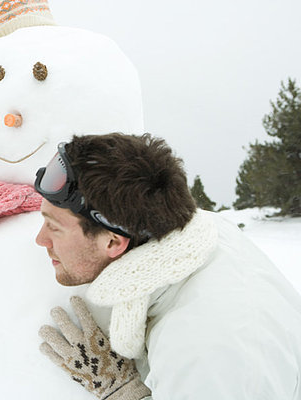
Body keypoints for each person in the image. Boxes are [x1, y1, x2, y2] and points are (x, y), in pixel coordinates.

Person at [34, 133, 301, 399]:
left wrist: (122, 391)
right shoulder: (201, 231)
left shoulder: (204, 355)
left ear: (113, 242)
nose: (40, 239)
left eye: (54, 228)